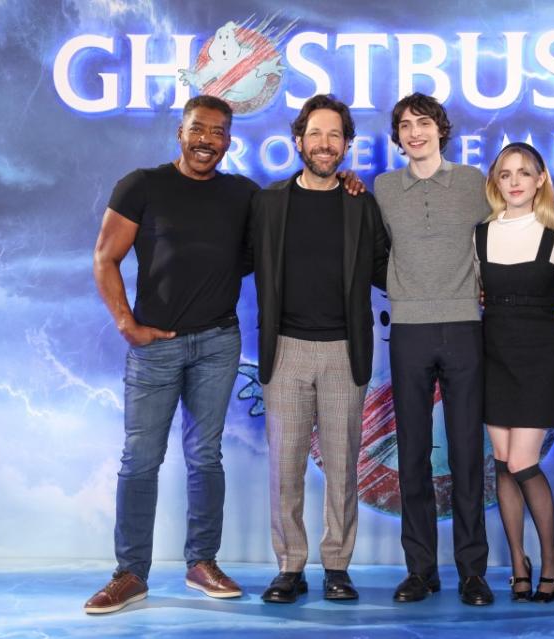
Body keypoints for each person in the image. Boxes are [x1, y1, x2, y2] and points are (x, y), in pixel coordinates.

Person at [86, 95, 256, 614]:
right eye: (198, 130)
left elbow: (295, 215)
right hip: (155, 345)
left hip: (218, 343)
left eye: (218, 132)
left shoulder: (244, 195)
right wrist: (125, 324)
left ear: (229, 140)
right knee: (141, 458)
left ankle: (201, 563)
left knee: (205, 455)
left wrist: (350, 182)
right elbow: (105, 257)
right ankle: (130, 574)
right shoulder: (142, 185)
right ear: (179, 133)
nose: (207, 140)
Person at [250, 94, 389, 604]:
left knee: (342, 466)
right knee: (285, 467)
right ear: (298, 141)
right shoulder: (266, 205)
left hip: (343, 352)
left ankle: (337, 565)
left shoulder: (362, 203)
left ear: (347, 145)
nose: (325, 144)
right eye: (315, 134)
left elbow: (386, 269)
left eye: (335, 136)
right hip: (284, 351)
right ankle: (289, 566)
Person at [373, 93, 493, 606]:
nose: (415, 132)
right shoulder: (381, 188)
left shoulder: (471, 182)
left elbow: (501, 237)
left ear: (441, 130)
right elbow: (370, 249)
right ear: (397, 136)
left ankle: (472, 571)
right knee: (414, 453)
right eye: (405, 125)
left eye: (423, 123)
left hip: (465, 325)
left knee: (467, 454)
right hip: (410, 329)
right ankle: (421, 569)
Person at [474, 142, 554, 603]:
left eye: (524, 172)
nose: (514, 181)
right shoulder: (480, 233)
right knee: (501, 462)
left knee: (522, 462)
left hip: (538, 355)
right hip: (492, 350)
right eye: (505, 173)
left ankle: (552, 559)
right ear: (496, 181)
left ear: (540, 180)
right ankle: (519, 563)